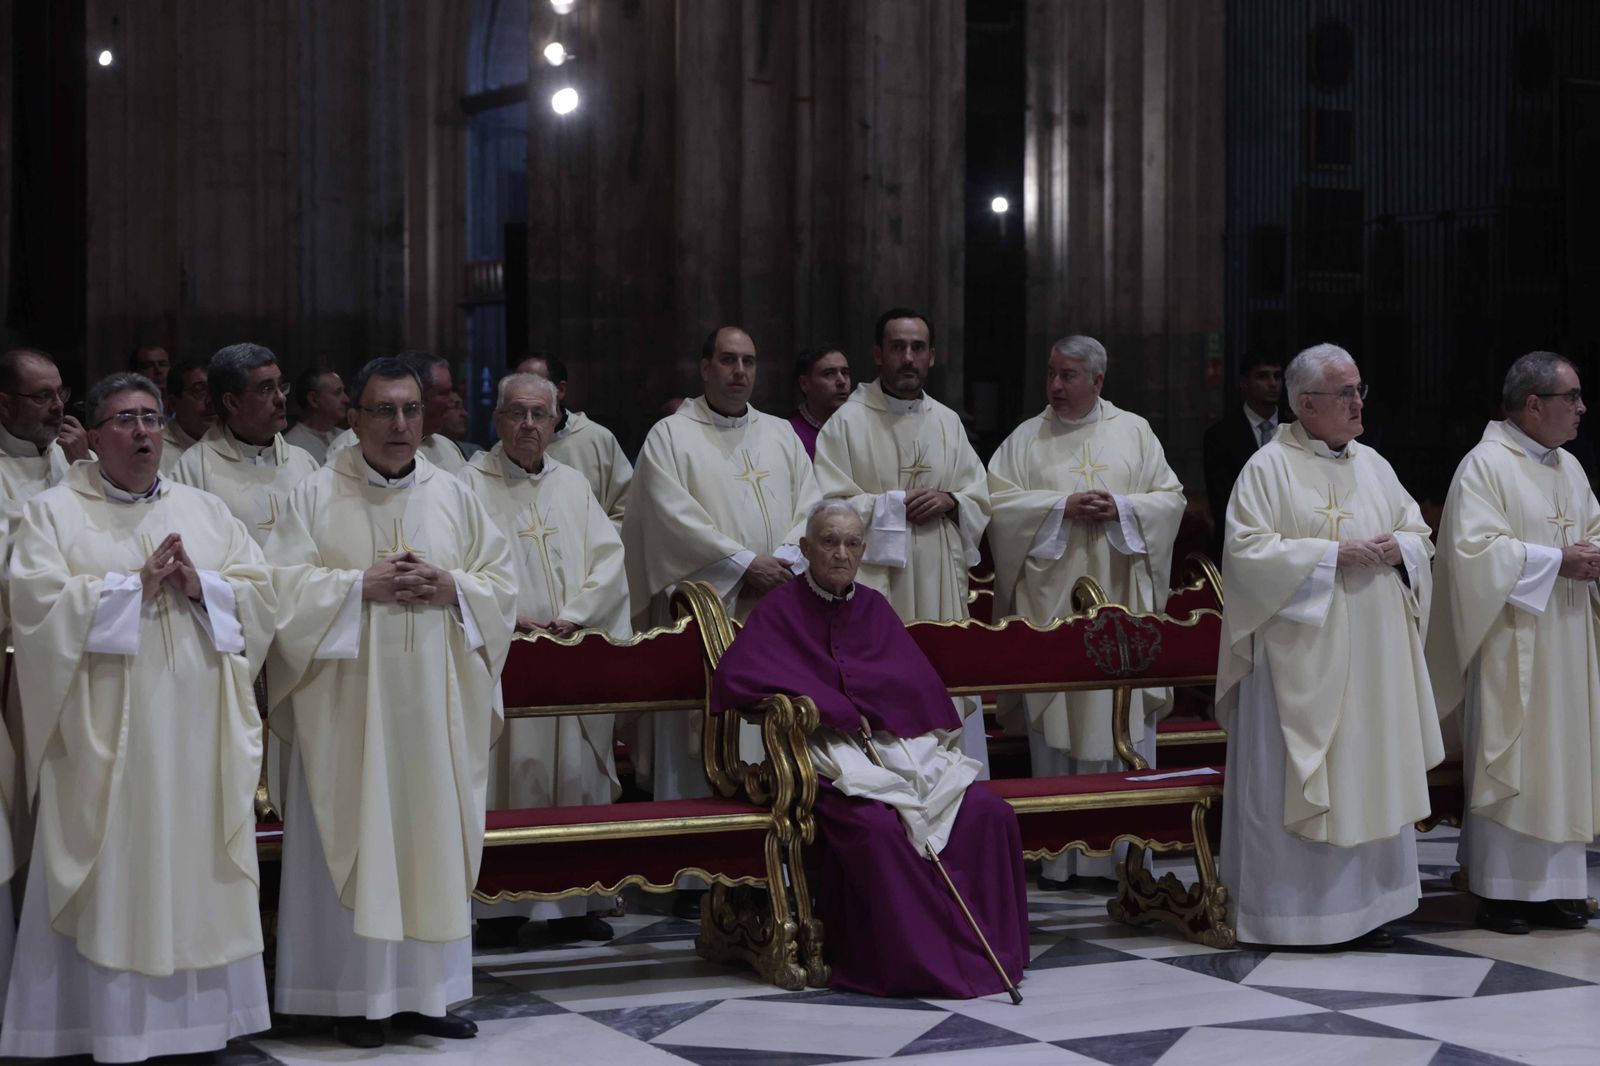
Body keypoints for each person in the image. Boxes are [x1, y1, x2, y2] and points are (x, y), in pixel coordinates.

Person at [0, 372, 275, 1061]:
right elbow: (34, 608)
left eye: (152, 417)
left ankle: (198, 1027)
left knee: (195, 867)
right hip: (104, 738)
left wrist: (199, 585)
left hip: (197, 730)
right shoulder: (53, 513)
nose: (144, 431)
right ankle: (102, 1030)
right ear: (94, 436)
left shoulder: (205, 511)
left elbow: (262, 597)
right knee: (114, 870)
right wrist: (133, 587)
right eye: (125, 420)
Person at [265, 355, 515, 1048]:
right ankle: (350, 997)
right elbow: (277, 591)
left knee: (427, 838)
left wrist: (454, 587)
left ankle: (426, 996)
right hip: (346, 714)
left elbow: (502, 585)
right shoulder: (315, 495)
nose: (399, 424)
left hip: (435, 712)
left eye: (410, 410)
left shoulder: (454, 494)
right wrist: (357, 587)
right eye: (383, 410)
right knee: (357, 832)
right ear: (354, 417)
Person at [710, 501, 1028, 997]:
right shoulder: (778, 608)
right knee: (879, 830)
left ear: (863, 550)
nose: (841, 553)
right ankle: (913, 960)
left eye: (852, 543)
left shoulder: (875, 607)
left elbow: (913, 684)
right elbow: (739, 676)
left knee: (991, 814)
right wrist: (829, 704)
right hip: (825, 756)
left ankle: (987, 949)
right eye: (829, 542)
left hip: (891, 748)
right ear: (806, 548)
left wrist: (882, 708)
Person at [1217, 343, 1443, 949]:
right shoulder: (1267, 469)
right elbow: (1245, 555)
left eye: (1359, 390)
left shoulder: (1375, 465)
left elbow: (1418, 532)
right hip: (1299, 660)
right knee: (1302, 777)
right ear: (1306, 403)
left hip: (1374, 656)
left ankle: (1370, 907)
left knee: (1369, 770)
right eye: (1345, 393)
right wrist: (1329, 556)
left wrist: (1401, 548)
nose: (1358, 403)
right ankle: (1297, 915)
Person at [986, 335, 1185, 885]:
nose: (1055, 385)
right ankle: (1060, 859)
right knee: (1060, 718)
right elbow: (996, 507)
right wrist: (1060, 507)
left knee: (1122, 716)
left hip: (1123, 604)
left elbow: (1170, 500)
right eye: (1051, 373)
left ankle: (1127, 856)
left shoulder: (1135, 432)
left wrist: (1123, 509)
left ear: (1098, 380)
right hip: (1053, 610)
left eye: (1068, 375)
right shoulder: (1025, 440)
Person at [1427, 351, 1600, 934]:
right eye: (1571, 397)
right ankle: (1502, 893)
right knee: (1517, 758)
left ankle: (1558, 889)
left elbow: (1591, 531)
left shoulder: (1568, 468)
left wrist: (1590, 558)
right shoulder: (1485, 465)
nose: (1582, 408)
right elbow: (1472, 555)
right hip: (1511, 643)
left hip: (1567, 637)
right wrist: (1558, 561)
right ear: (1533, 405)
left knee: (1563, 759)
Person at [461, 373, 629, 946]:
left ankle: (577, 902)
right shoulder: (467, 486)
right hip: (502, 659)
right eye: (517, 413)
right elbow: (458, 569)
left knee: (575, 777)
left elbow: (608, 561)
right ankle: (499, 908)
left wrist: (576, 616)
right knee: (510, 779)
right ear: (497, 420)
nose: (528, 425)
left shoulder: (573, 485)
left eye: (540, 414)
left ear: (557, 422)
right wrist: (508, 617)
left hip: (570, 654)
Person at [621, 326, 819, 793]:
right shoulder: (670, 436)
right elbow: (668, 518)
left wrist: (785, 562)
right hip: (703, 614)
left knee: (774, 740)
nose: (739, 371)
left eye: (748, 361)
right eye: (729, 360)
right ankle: (694, 841)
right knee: (696, 758)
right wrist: (744, 565)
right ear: (705, 368)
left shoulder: (781, 434)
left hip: (776, 609)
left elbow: (811, 507)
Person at [812, 309, 992, 770]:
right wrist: (892, 505)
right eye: (897, 347)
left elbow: (979, 494)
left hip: (938, 583)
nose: (908, 358)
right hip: (877, 587)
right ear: (878, 354)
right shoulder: (846, 424)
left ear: (932, 356)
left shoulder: (947, 422)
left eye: (917, 348)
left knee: (943, 681)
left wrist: (951, 500)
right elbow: (825, 506)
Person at [171, 343, 319, 545]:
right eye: (266, 389)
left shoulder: (303, 462)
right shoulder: (194, 469)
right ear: (232, 402)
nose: (281, 398)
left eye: (281, 386)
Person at [516, 353, 633, 529]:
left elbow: (627, 512)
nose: (522, 394)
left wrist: (587, 538)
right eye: (517, 385)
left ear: (560, 390)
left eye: (533, 385)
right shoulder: (507, 447)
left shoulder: (597, 439)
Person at [326, 353, 468, 475]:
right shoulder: (347, 448)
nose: (451, 403)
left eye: (411, 409)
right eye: (385, 410)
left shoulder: (448, 449)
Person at [1203, 353, 1286, 559]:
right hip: (1238, 541)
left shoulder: (1298, 427)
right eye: (1263, 376)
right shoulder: (1220, 435)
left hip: (1291, 537)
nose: (1272, 383)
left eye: (1277, 376)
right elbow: (1221, 502)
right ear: (1244, 383)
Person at [788, 347, 852, 458]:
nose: (842, 381)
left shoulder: (859, 427)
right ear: (804, 383)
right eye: (829, 374)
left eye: (845, 373)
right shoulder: (790, 435)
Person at [159, 358, 216, 473]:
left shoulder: (233, 441)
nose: (211, 401)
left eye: (216, 390)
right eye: (199, 391)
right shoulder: (157, 450)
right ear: (173, 403)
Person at [285, 365, 349, 463]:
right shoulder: (291, 447)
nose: (346, 400)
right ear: (314, 399)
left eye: (344, 392)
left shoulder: (347, 438)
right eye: (337, 393)